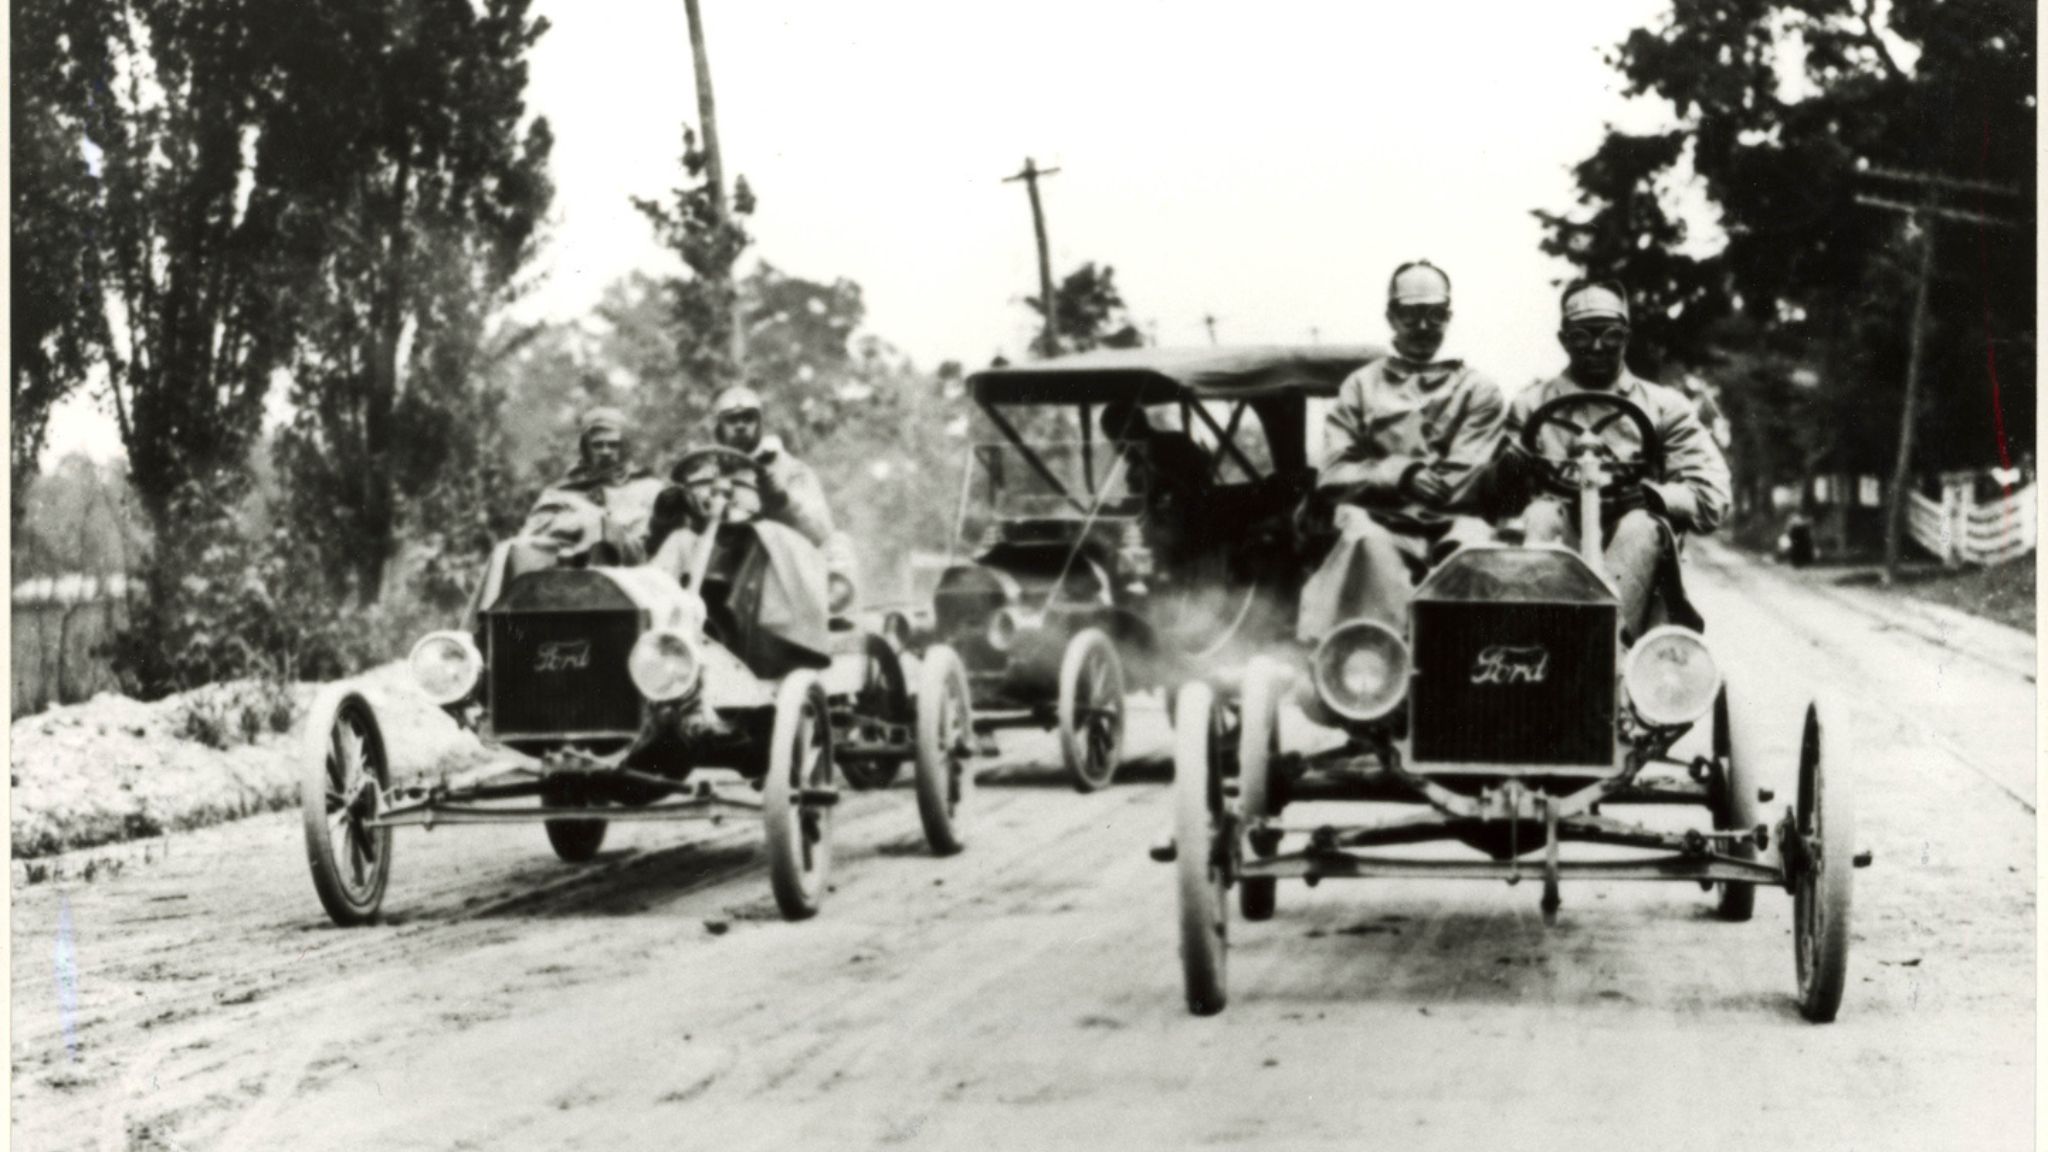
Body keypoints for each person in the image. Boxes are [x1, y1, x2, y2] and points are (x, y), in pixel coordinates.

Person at [1491, 279, 1731, 638]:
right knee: (1539, 516)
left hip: (1637, 555)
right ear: (1564, 339)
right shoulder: (1530, 406)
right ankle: (1540, 641)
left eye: (1610, 334)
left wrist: (1654, 497)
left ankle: (1610, 644)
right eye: (1582, 336)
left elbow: (1712, 497)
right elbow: (1498, 499)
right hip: (1556, 540)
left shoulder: (1665, 407)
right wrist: (1508, 473)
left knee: (1641, 526)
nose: (1598, 346)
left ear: (1626, 336)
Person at [1295, 261, 1505, 639]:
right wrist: (1402, 474)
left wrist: (1379, 482)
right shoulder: (1360, 387)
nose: (1423, 326)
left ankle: (1472, 667)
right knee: (1364, 541)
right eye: (1410, 314)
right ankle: (1369, 665)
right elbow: (1333, 472)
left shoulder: (1479, 390)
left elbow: (1465, 476)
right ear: (1391, 317)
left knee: (1476, 550)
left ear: (1448, 317)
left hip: (1453, 524)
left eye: (1434, 314)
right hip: (1376, 523)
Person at [462, 407, 668, 631]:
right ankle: (493, 628)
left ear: (625, 447)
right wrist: (575, 522)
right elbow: (533, 534)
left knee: (596, 527)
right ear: (586, 449)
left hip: (631, 583)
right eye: (598, 445)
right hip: (562, 581)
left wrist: (605, 527)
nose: (606, 451)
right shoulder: (561, 493)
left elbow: (657, 546)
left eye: (613, 444)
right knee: (509, 549)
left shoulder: (651, 490)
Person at [1099, 399, 1212, 572]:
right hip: (1161, 539)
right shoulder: (1139, 465)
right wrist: (1114, 512)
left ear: (1129, 431)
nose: (1117, 450)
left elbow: (1177, 496)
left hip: (1182, 540)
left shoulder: (1169, 450)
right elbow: (1142, 503)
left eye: (1116, 439)